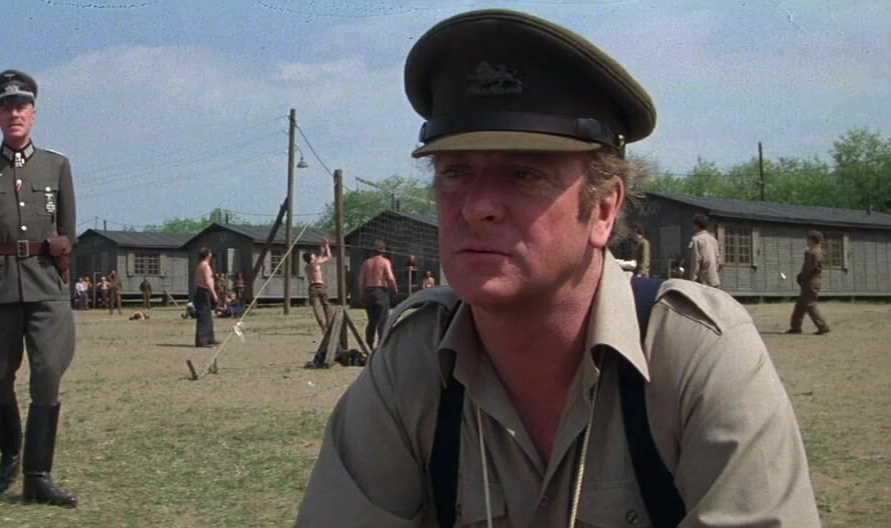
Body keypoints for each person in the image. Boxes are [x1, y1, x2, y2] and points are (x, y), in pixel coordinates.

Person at [296, 9, 819, 527]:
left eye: (524, 174)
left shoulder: (692, 351)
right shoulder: (414, 361)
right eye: (455, 172)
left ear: (604, 209)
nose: (475, 207)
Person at [0, 69, 77, 506]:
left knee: (48, 371)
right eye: (5, 107)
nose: (14, 113)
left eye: (21, 106)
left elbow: (68, 228)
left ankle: (37, 476)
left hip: (46, 284)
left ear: (33, 113)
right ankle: (9, 456)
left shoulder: (56, 166)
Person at [356, 239, 397, 349]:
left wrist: (361, 295)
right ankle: (381, 344)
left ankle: (369, 344)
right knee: (382, 320)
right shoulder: (385, 262)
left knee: (372, 320)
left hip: (369, 291)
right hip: (380, 290)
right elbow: (390, 277)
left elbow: (361, 281)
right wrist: (394, 288)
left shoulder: (366, 263)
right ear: (383, 250)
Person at [788, 230, 830, 335]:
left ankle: (823, 326)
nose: (807, 241)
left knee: (810, 305)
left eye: (808, 239)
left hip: (810, 281)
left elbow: (809, 268)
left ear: (812, 240)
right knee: (800, 305)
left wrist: (802, 277)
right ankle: (795, 327)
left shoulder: (813, 253)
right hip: (812, 280)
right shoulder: (818, 251)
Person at [304, 239, 332, 332]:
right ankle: (328, 324)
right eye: (313, 255)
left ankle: (324, 326)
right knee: (325, 305)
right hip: (319, 286)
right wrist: (324, 249)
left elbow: (327, 257)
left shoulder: (307, 267)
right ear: (311, 258)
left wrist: (326, 247)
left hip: (312, 288)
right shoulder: (314, 264)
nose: (315, 256)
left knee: (317, 307)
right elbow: (325, 257)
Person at [687, 213, 722, 287]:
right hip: (713, 278)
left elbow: (696, 260)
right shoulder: (713, 240)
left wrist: (692, 278)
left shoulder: (696, 240)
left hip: (702, 280)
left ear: (696, 225)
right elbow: (718, 259)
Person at [192, 247, 217, 347]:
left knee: (208, 316)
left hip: (200, 291)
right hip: (204, 291)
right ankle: (202, 340)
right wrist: (214, 293)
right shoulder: (205, 266)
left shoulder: (200, 265)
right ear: (208, 255)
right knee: (203, 316)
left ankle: (209, 339)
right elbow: (207, 281)